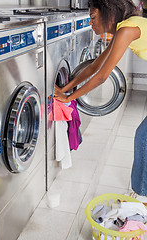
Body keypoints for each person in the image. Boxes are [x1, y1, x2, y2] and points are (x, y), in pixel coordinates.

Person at [54, 0, 147, 201]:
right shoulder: (125, 27)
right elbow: (95, 66)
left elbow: (102, 76)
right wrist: (64, 89)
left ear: (109, 14)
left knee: (144, 138)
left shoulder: (127, 30)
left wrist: (69, 97)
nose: (91, 23)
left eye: (93, 17)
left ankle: (141, 197)